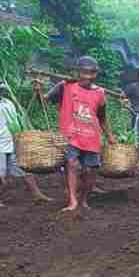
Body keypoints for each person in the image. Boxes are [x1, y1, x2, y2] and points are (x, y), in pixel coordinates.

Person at [34, 56, 116, 211]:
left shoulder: (99, 93)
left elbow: (102, 118)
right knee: (72, 164)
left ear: (96, 74)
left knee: (90, 171)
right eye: (85, 72)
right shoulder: (65, 86)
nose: (88, 76)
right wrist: (38, 91)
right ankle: (72, 201)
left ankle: (83, 199)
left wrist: (110, 136)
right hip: (71, 135)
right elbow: (44, 101)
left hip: (91, 137)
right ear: (78, 72)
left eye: (92, 73)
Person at [0, 76, 52, 208]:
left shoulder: (8, 103)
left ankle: (37, 195)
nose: (0, 91)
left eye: (1, 88)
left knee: (24, 168)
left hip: (12, 141)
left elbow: (15, 121)